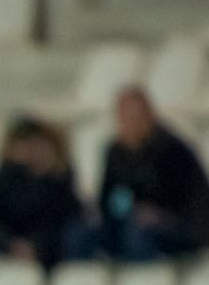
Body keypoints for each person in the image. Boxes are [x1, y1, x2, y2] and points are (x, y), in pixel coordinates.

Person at [67, 86, 209, 263]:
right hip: (129, 220)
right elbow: (108, 197)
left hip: (178, 226)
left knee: (138, 233)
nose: (131, 123)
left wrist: (157, 214)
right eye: (125, 117)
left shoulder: (173, 150)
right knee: (81, 234)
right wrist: (124, 211)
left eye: (135, 116)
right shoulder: (115, 152)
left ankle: (143, 284)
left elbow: (190, 201)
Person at [0, 117, 82, 273]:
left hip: (44, 247)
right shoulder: (8, 177)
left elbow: (58, 222)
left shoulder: (60, 182)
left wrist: (34, 245)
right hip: (10, 241)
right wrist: (10, 244)